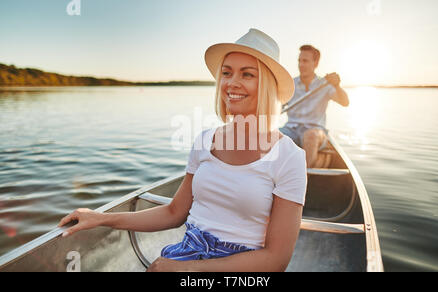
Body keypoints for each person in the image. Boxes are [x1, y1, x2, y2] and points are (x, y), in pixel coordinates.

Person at [58, 29, 307, 272]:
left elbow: (276, 261)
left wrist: (188, 269)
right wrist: (101, 217)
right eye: (227, 73)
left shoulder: (289, 157)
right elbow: (174, 212)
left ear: (266, 85)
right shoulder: (204, 141)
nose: (232, 83)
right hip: (186, 253)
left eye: (247, 74)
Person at [280, 45, 349, 168]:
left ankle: (304, 180)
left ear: (316, 63)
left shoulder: (325, 84)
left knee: (310, 136)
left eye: (305, 61)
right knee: (270, 136)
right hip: (291, 129)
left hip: (315, 130)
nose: (301, 64)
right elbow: (277, 106)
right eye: (299, 61)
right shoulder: (290, 84)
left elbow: (345, 102)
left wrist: (337, 86)